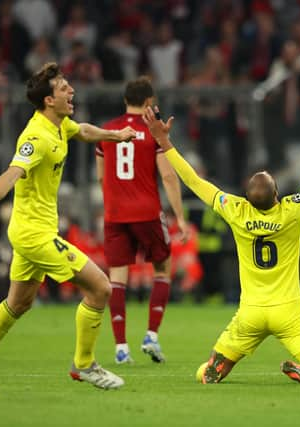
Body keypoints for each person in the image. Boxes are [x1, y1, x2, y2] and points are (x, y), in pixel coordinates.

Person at [142, 89, 300, 384]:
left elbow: (193, 180)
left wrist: (164, 141)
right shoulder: (292, 210)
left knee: (206, 369)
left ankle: (213, 368)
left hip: (250, 313)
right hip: (289, 311)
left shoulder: (236, 210)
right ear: (277, 194)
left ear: (247, 198)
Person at [0, 62, 137, 391]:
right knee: (101, 288)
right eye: (64, 88)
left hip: (35, 231)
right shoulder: (35, 137)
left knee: (18, 304)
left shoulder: (59, 125)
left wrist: (115, 135)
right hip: (33, 235)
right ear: (49, 100)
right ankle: (84, 365)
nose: (71, 91)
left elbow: (83, 130)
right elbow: (12, 172)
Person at [96, 76, 188, 364]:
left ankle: (121, 348)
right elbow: (169, 175)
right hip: (147, 212)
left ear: (125, 100)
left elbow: (101, 176)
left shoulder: (107, 131)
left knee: (117, 279)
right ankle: (151, 335)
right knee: (162, 269)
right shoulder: (153, 132)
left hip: (115, 214)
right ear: (149, 102)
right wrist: (181, 218)